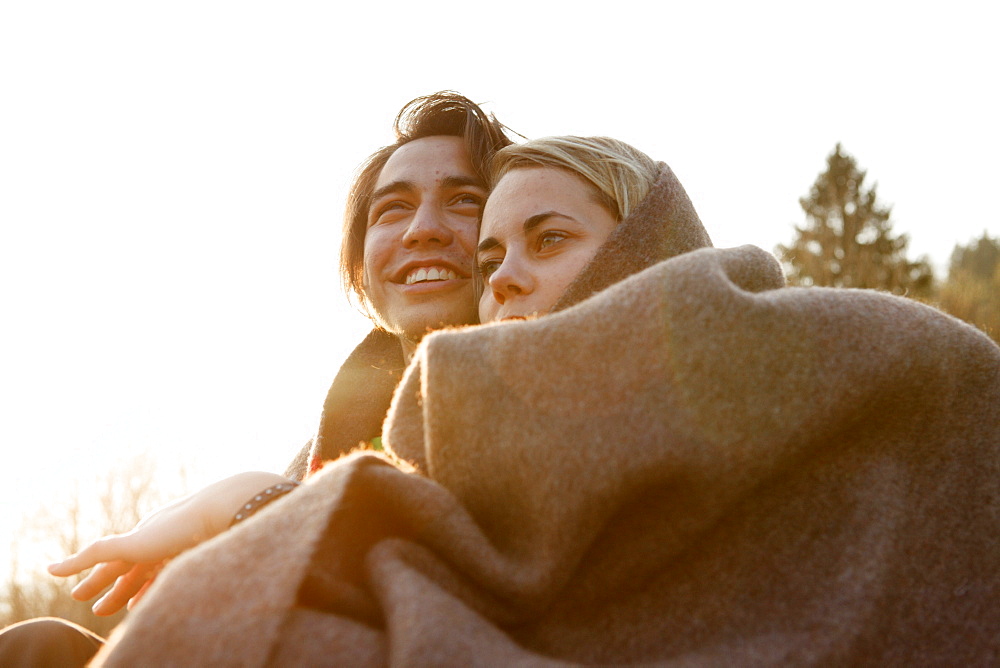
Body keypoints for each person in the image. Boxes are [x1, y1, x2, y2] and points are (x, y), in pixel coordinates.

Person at [88, 135, 1000, 665]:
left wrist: (242, 507)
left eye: (544, 237)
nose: (503, 277)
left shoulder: (796, 355)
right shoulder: (349, 418)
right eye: (390, 209)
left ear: (648, 252)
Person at [0, 90, 515, 666]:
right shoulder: (341, 430)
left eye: (465, 201)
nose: (423, 230)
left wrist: (249, 503)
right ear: (358, 265)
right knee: (37, 646)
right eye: (391, 209)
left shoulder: (543, 404)